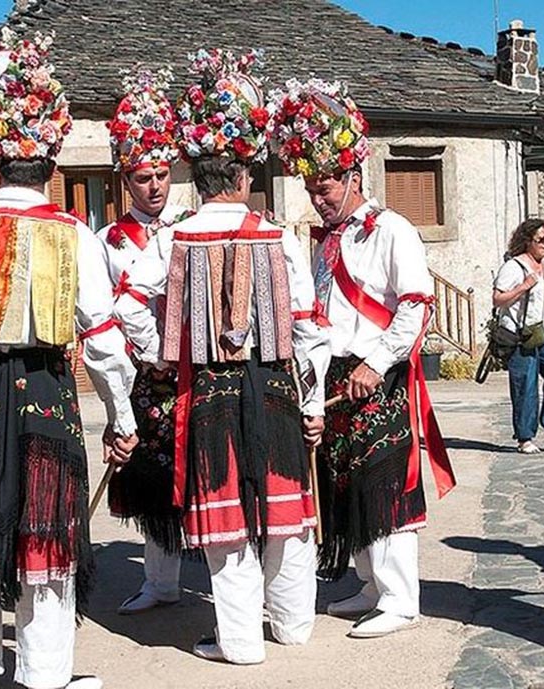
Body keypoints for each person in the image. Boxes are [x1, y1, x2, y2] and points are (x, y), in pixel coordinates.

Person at [0, 29, 137, 689]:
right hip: (45, 395)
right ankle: (45, 678)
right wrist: (122, 418)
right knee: (45, 539)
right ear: (50, 154)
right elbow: (102, 341)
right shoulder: (72, 234)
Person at [115, 48, 329, 665]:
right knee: (286, 511)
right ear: (242, 175)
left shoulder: (173, 238)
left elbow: (128, 304)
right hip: (277, 389)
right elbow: (310, 328)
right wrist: (312, 400)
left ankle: (239, 642)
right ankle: (293, 625)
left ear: (196, 175)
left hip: (207, 390)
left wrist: (163, 351)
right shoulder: (279, 237)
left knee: (225, 519)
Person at [271, 78, 455, 638]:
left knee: (382, 482)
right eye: (310, 186)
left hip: (382, 375)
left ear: (353, 176)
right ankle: (370, 585)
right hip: (338, 374)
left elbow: (418, 306)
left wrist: (376, 364)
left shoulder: (392, 228)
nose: (317, 196)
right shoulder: (324, 241)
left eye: (325, 185)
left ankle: (401, 598)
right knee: (345, 481)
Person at [98, 66, 192, 615]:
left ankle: (222, 576)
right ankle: (160, 580)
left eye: (161, 174)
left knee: (203, 469)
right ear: (124, 181)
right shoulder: (108, 241)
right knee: (153, 481)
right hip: (142, 375)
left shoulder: (192, 226)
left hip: (194, 369)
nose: (153, 186)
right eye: (142, 177)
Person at [492, 219, 544, 454]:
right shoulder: (514, 267)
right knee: (525, 386)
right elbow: (498, 299)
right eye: (541, 240)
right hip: (522, 336)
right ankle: (525, 437)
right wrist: (523, 286)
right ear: (527, 241)